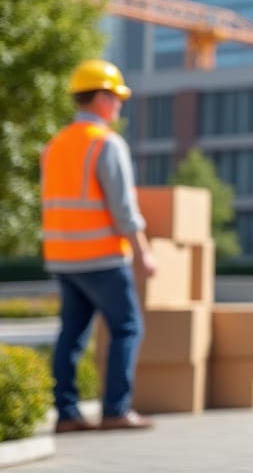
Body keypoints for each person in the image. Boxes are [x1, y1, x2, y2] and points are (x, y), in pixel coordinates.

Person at [43, 59, 156, 432]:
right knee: (127, 329)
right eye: (117, 97)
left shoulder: (55, 145)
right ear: (103, 98)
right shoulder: (106, 143)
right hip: (102, 257)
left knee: (71, 335)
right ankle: (116, 411)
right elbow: (123, 208)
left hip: (62, 256)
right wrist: (142, 251)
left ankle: (67, 414)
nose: (119, 104)